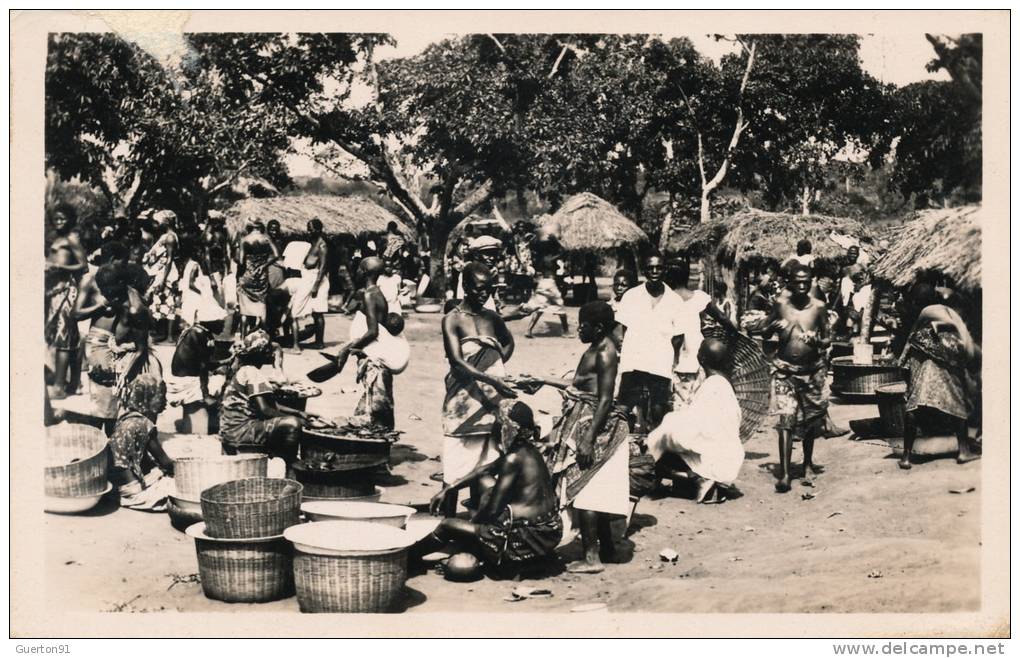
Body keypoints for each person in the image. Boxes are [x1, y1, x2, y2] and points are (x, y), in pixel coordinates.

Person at [523, 301, 630, 574]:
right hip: (585, 419)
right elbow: (579, 387)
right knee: (597, 486)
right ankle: (608, 549)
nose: (578, 329)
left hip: (594, 425)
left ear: (599, 328)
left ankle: (591, 558)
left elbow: (605, 399)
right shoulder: (594, 348)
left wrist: (588, 439)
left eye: (583, 325)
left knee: (585, 490)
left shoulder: (606, 353)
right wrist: (543, 380)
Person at [417, 400, 562, 572]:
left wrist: (473, 526)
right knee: (483, 480)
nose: (495, 428)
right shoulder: (528, 450)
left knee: (448, 525)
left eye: (498, 424)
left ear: (508, 428)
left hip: (525, 539)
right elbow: (485, 470)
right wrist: (450, 488)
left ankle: (409, 558)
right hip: (548, 531)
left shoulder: (513, 459)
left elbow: (493, 510)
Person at [439, 262, 517, 516]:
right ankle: (445, 527)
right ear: (465, 286)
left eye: (489, 289)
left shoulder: (492, 318)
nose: (485, 294)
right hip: (462, 403)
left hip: (490, 404)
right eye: (479, 288)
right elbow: (457, 363)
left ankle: (478, 525)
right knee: (453, 470)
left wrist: (497, 365)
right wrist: (492, 379)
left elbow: (508, 342)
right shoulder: (452, 320)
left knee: (484, 466)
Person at [646, 338, 744, 503]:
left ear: (701, 359)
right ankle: (701, 480)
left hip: (712, 457)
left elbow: (691, 430)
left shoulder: (711, 386)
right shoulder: (724, 385)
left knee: (658, 442)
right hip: (729, 457)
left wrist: (665, 428)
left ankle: (697, 478)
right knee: (668, 431)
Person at [762, 263, 830, 493]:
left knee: (811, 420)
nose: (801, 286)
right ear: (789, 282)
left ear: (811, 281)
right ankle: (785, 473)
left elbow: (828, 339)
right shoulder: (780, 305)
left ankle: (808, 463)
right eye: (797, 281)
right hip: (784, 371)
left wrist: (816, 341)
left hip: (811, 372)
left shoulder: (819, 307)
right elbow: (764, 332)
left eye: (806, 281)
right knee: (786, 421)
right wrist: (773, 325)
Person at [896, 283, 980, 469]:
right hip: (945, 365)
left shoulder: (925, 313)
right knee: (957, 403)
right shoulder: (945, 311)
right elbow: (963, 343)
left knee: (913, 406)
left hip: (923, 364)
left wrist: (903, 366)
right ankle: (964, 451)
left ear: (917, 301)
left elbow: (910, 344)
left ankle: (906, 457)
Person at [614, 254, 685, 433]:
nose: (654, 272)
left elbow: (678, 337)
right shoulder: (631, 296)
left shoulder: (675, 300)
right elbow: (623, 328)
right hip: (633, 361)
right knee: (625, 407)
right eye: (650, 268)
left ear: (664, 269)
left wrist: (671, 362)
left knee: (658, 410)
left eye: (659, 268)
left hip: (660, 363)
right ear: (644, 270)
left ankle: (655, 451)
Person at [218, 329, 307, 466]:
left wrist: (299, 412)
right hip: (241, 430)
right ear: (262, 354)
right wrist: (296, 418)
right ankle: (291, 464)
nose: (272, 354)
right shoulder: (252, 373)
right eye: (269, 351)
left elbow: (273, 406)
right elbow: (265, 410)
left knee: (291, 419)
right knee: (293, 424)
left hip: (231, 428)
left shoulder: (245, 369)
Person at [74, 245, 130, 430]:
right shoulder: (90, 280)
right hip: (99, 341)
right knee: (101, 395)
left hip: (120, 342)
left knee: (116, 397)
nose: (125, 265)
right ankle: (97, 441)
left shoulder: (122, 279)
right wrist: (101, 305)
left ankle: (109, 443)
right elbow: (76, 313)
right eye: (122, 261)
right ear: (112, 258)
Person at [109, 373, 176, 511]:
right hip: (132, 490)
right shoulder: (145, 424)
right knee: (176, 487)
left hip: (116, 485)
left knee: (156, 472)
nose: (165, 401)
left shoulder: (125, 419)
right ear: (150, 398)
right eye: (161, 396)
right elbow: (165, 462)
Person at [45, 203, 87, 399]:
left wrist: (61, 268)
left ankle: (60, 386)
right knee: (65, 339)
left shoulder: (72, 238)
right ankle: (73, 382)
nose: (59, 222)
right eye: (56, 219)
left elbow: (84, 266)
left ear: (70, 219)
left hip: (67, 292)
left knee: (64, 339)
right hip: (55, 291)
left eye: (63, 218)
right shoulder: (58, 238)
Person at [166, 319, 225, 434]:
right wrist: (205, 394)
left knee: (219, 375)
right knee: (221, 380)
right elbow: (203, 366)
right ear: (211, 322)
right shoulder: (199, 334)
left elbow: (202, 363)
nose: (224, 326)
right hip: (186, 382)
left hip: (184, 378)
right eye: (221, 322)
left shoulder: (197, 331)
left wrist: (224, 361)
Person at [669, 260, 712, 408]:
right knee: (697, 398)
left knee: (679, 400)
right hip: (699, 353)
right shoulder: (699, 298)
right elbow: (720, 318)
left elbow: (677, 337)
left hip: (677, 357)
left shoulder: (667, 300)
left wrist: (673, 361)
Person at [141, 210, 181, 344]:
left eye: (158, 222)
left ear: (166, 222)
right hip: (161, 271)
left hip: (166, 273)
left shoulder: (170, 237)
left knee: (168, 302)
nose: (156, 224)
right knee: (161, 301)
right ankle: (162, 333)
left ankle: (169, 336)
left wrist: (164, 278)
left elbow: (169, 259)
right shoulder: (165, 236)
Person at [236, 220, 280, 336]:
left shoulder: (244, 240)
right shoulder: (266, 238)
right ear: (261, 228)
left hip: (247, 276)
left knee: (244, 312)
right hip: (261, 277)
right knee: (262, 309)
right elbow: (276, 255)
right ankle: (264, 337)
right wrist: (263, 266)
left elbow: (241, 262)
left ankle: (242, 339)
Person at [292, 219, 330, 350]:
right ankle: (317, 341)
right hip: (309, 278)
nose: (309, 231)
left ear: (319, 230)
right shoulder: (312, 244)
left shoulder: (322, 245)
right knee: (315, 312)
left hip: (317, 281)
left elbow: (323, 267)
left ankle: (319, 342)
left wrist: (315, 286)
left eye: (311, 229)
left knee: (318, 312)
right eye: (308, 228)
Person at [179, 237, 227, 329]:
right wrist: (201, 292)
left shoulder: (189, 264)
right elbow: (191, 283)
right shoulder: (195, 266)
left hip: (190, 295)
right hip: (194, 295)